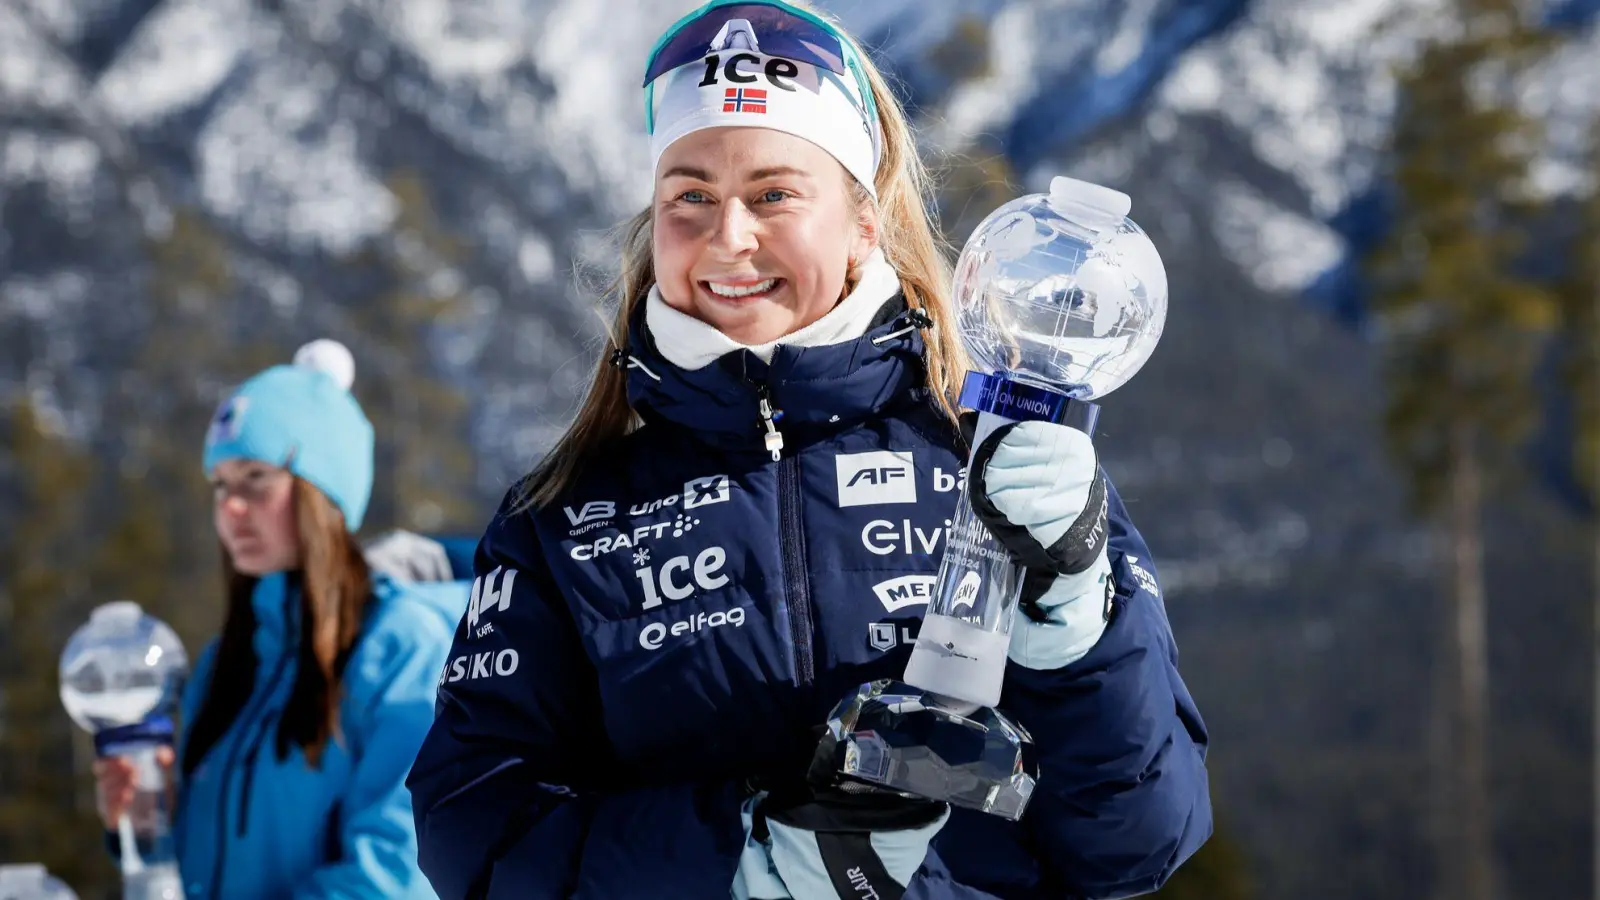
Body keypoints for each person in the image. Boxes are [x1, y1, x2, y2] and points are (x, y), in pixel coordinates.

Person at [407, 1, 1212, 897]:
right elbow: (471, 830)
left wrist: (1074, 610)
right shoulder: (562, 519)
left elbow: (1136, 841)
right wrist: (746, 859)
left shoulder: (998, 468)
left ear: (865, 223)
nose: (730, 237)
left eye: (774, 193)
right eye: (691, 197)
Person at [93, 339, 468, 900]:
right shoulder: (230, 660)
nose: (231, 507)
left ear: (322, 491)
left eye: (255, 480)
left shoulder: (402, 645)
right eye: (220, 485)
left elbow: (398, 875)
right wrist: (146, 821)